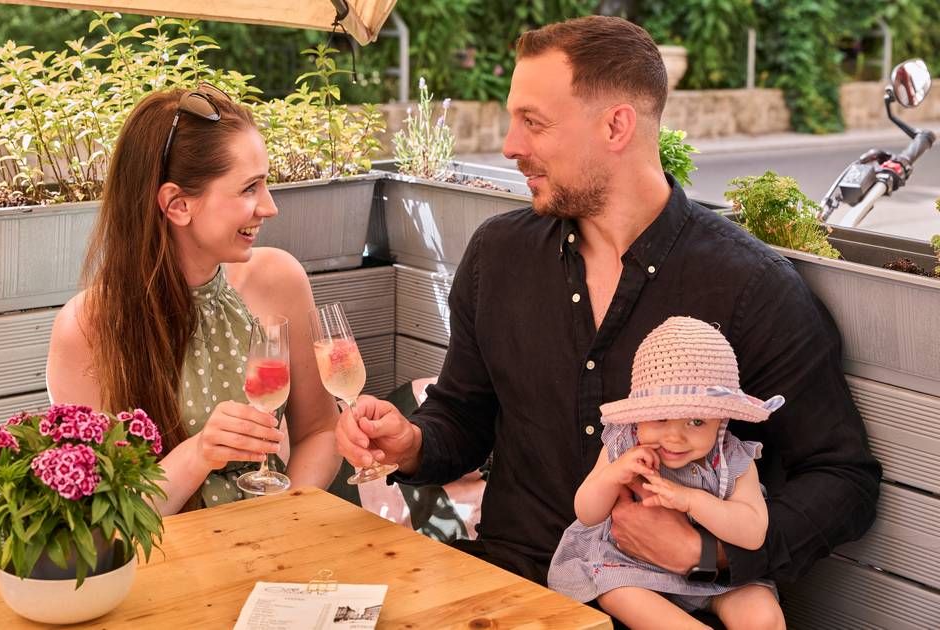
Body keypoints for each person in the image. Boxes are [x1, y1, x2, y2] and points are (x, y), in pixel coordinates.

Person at [336, 13, 880, 604]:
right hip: (507, 586)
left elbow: (843, 478)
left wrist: (710, 554)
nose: (510, 146)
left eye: (533, 123)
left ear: (616, 126)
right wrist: (410, 442)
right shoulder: (499, 255)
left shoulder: (749, 285)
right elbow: (463, 416)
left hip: (664, 606)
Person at [46, 84, 342, 515]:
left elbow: (320, 429)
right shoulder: (86, 328)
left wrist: (286, 518)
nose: (269, 206)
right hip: (161, 569)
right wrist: (198, 454)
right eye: (249, 188)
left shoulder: (280, 281)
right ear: (178, 205)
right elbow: (98, 517)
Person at [549, 316, 786, 630]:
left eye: (696, 422)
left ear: (721, 421)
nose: (675, 437)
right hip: (631, 566)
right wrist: (613, 475)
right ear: (639, 417)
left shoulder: (732, 460)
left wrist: (691, 500)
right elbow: (586, 511)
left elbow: (753, 532)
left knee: (763, 616)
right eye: (660, 419)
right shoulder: (624, 445)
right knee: (616, 589)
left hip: (713, 577)